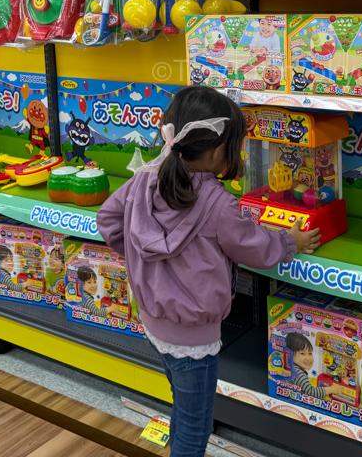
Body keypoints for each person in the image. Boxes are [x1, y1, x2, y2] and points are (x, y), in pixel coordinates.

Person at [98, 86, 321, 457]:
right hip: (194, 338)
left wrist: (143, 260)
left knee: (183, 406)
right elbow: (253, 245)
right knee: (195, 425)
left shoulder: (144, 179)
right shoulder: (218, 202)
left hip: (153, 320)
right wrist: (290, 243)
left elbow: (108, 220)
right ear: (219, 152)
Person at [285, 333, 328, 400]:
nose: (308, 358)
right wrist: (331, 389)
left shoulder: (291, 366)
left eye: (310, 353)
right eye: (302, 353)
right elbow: (311, 392)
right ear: (290, 354)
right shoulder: (298, 373)